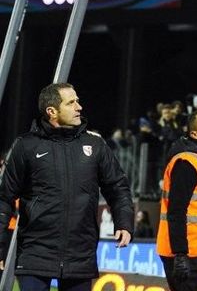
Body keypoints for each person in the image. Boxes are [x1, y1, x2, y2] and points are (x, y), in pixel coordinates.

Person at [0, 83, 134, 291]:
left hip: (80, 255)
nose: (79, 107)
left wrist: (124, 222)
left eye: (77, 101)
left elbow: (118, 188)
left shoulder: (96, 145)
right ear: (52, 111)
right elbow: (4, 198)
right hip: (35, 253)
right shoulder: (26, 146)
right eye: (71, 103)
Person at [156, 111, 197, 291]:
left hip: (196, 252)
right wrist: (180, 254)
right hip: (186, 254)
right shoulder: (187, 163)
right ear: (194, 134)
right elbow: (176, 211)